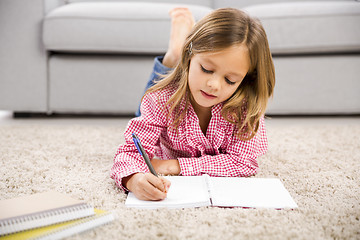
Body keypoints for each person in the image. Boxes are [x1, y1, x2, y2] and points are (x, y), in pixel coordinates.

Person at [111, 7, 275, 201]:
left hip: (180, 94)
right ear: (190, 57)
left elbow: (244, 163)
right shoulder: (159, 100)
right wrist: (133, 179)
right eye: (206, 69)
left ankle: (178, 55)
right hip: (171, 94)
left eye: (230, 80)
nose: (213, 85)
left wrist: (173, 166)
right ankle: (174, 54)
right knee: (149, 97)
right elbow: (129, 154)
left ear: (246, 80)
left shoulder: (247, 107)